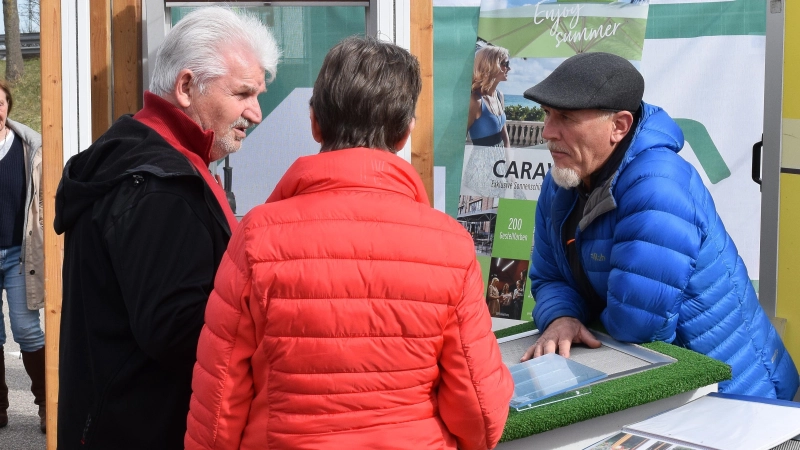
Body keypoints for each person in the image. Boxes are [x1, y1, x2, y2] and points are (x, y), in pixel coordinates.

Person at [185, 36, 514, 450]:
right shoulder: (450, 246)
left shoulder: (255, 238)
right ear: (404, 133)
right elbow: (481, 412)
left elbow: (218, 408)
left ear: (315, 123)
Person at [53, 7, 280, 449]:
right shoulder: (162, 188)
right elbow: (180, 332)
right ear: (186, 87)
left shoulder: (141, 157)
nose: (255, 113)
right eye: (242, 94)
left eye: (258, 95)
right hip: (145, 428)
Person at [521, 52, 799, 400]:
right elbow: (549, 278)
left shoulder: (658, 185)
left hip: (735, 393)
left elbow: (637, 325)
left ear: (619, 126)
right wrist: (562, 317)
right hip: (670, 384)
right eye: (547, 114)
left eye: (566, 117)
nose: (547, 132)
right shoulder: (562, 181)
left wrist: (582, 319)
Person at [0, 80, 46, 433]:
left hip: (20, 254)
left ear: (8, 107)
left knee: (27, 330)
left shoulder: (29, 146)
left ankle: (47, 404)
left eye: (0, 103)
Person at [462, 45, 513, 198]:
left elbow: (505, 137)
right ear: (491, 65)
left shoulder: (499, 96)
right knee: (484, 209)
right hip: (481, 169)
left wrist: (510, 167)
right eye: (505, 63)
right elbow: (458, 140)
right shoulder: (474, 101)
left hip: (500, 166)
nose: (509, 68)